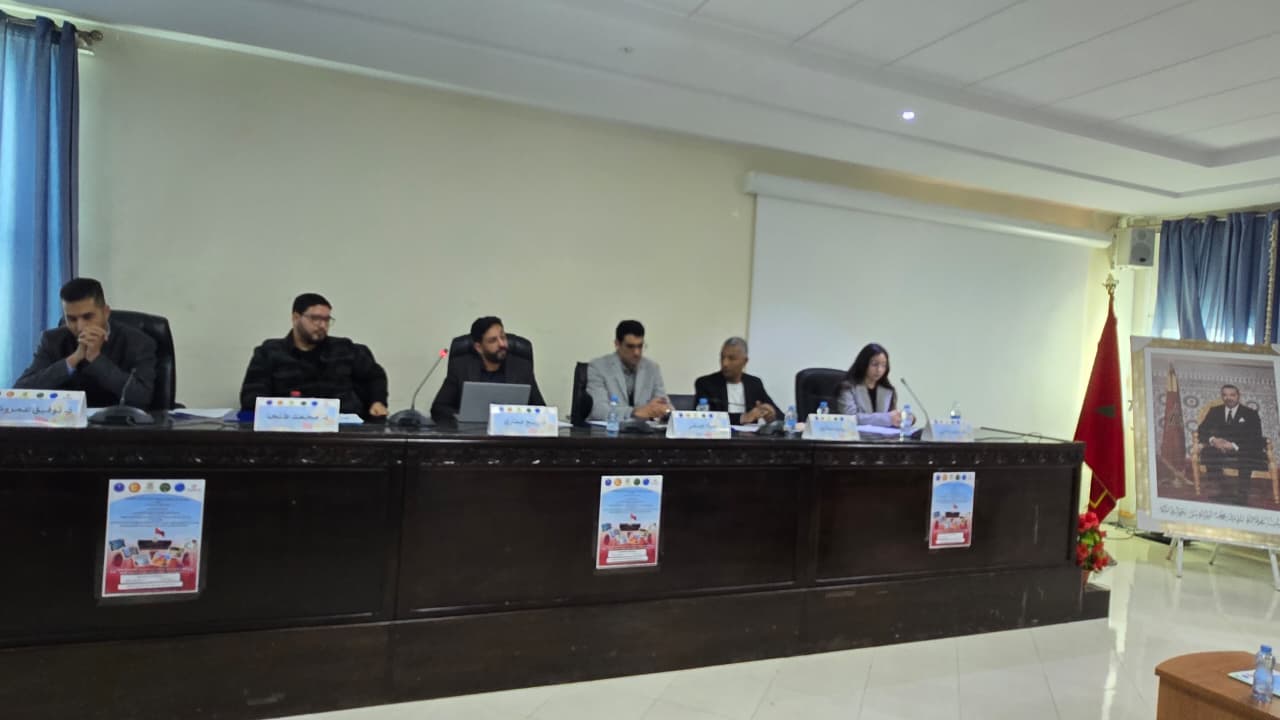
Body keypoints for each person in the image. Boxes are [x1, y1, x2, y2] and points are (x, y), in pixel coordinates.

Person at [14, 278, 157, 408]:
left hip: (117, 424)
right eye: (72, 319)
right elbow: (20, 392)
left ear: (106, 312)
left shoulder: (138, 342)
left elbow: (142, 397)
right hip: (65, 424)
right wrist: (73, 360)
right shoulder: (52, 340)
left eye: (88, 317)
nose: (80, 327)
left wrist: (96, 358)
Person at [239, 293, 388, 418]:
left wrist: (377, 401)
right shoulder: (269, 352)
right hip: (287, 429)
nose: (322, 325)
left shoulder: (345, 349)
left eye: (326, 320)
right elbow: (251, 396)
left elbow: (375, 376)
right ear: (296, 318)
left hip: (343, 430)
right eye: (315, 318)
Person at [430, 316, 545, 421]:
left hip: (511, 433)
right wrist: (464, 416)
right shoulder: (461, 368)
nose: (502, 344)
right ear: (479, 347)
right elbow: (439, 408)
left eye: (503, 337)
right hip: (472, 434)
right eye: (493, 340)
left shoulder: (521, 367)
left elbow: (541, 410)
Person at [1196, 384, 1268, 506]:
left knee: (1247, 455)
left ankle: (1242, 495)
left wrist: (1234, 445)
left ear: (1238, 396)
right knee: (1208, 452)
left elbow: (1255, 437)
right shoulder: (1215, 411)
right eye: (1225, 395)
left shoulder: (1250, 413)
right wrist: (1213, 440)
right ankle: (1224, 491)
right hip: (1220, 448)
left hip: (1242, 448)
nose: (1228, 398)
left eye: (1232, 395)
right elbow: (1201, 430)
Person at [586, 320, 669, 421]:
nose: (636, 352)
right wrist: (634, 412)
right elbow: (598, 411)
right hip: (610, 429)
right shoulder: (598, 367)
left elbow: (665, 406)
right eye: (630, 347)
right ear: (617, 344)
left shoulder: (652, 368)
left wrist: (664, 411)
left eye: (640, 346)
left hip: (644, 430)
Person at [693, 337, 778, 425]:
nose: (725, 363)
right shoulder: (706, 383)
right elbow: (703, 417)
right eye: (722, 357)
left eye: (731, 358)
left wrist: (772, 416)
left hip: (749, 434)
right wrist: (743, 417)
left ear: (745, 361)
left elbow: (780, 416)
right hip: (719, 433)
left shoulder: (754, 383)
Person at [835, 343, 902, 427]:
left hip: (882, 435)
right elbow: (850, 418)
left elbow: (892, 419)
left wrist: (903, 418)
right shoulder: (848, 388)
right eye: (874, 364)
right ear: (864, 364)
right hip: (854, 434)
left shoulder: (887, 390)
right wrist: (886, 418)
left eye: (883, 365)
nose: (879, 370)